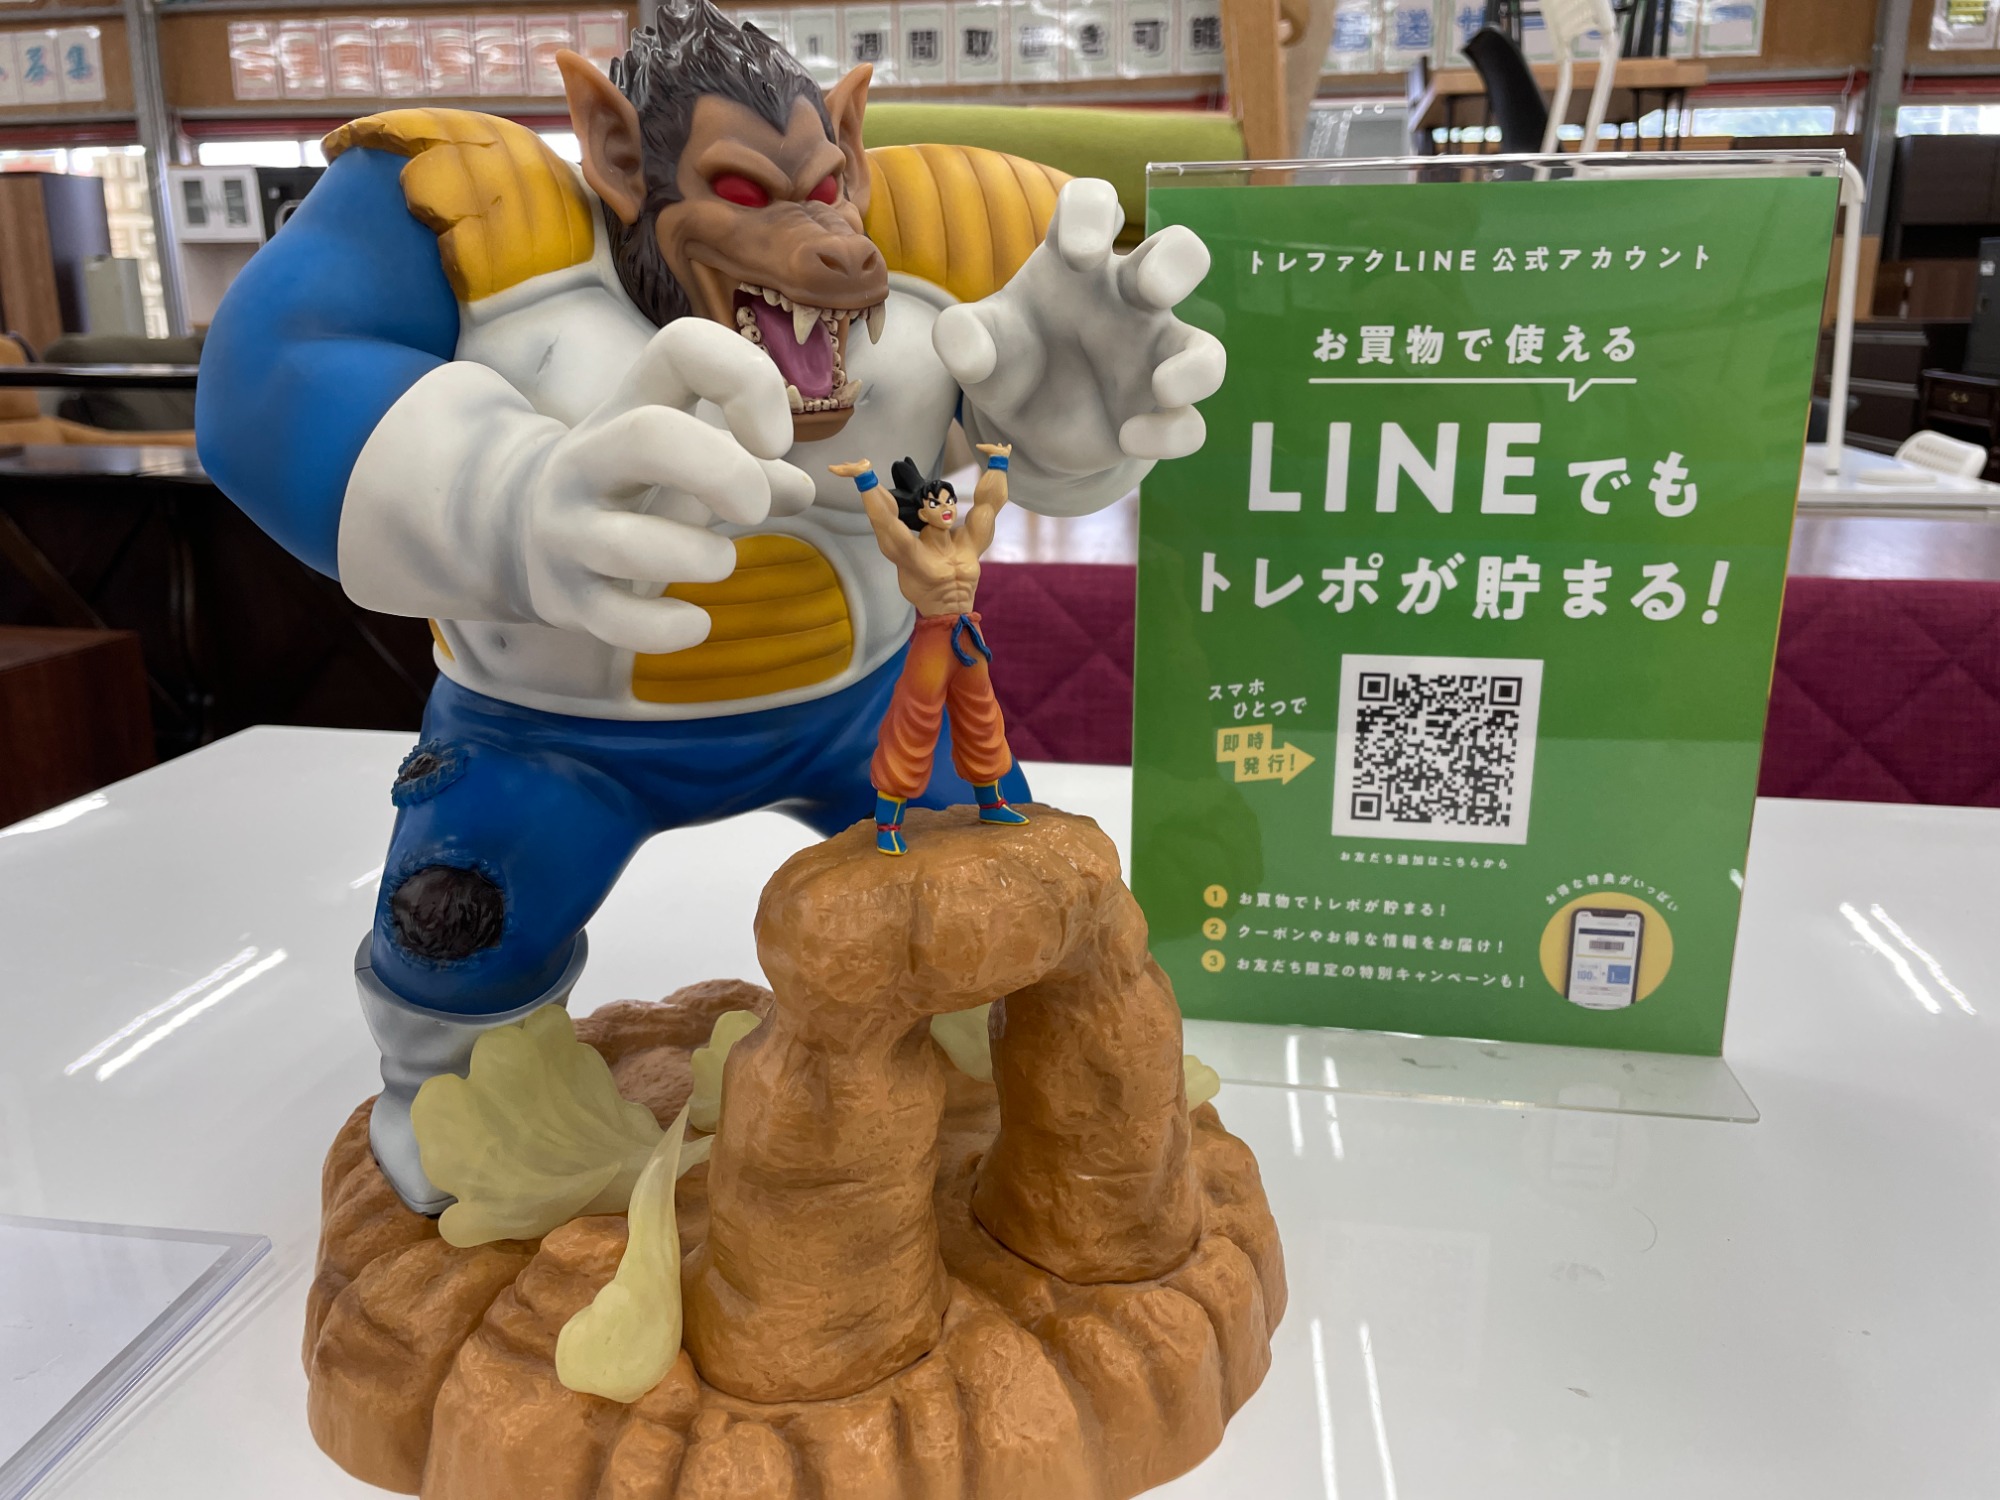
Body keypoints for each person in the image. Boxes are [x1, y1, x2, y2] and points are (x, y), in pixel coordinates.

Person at [830, 444, 1024, 853]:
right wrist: (866, 478)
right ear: (921, 511)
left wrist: (999, 462)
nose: (947, 508)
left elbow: (990, 503)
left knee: (982, 718)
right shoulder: (912, 551)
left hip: (970, 639)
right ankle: (887, 823)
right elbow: (885, 522)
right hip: (934, 642)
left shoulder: (969, 541)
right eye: (936, 503)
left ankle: (992, 803)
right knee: (913, 722)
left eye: (949, 500)